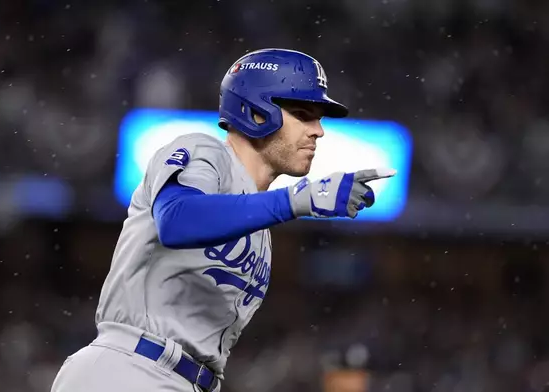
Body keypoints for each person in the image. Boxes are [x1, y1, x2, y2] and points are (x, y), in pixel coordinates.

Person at [50, 48, 396, 392]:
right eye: (303, 114)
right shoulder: (205, 152)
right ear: (258, 112)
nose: (318, 130)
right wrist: (296, 200)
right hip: (130, 369)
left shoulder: (259, 225)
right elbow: (176, 220)